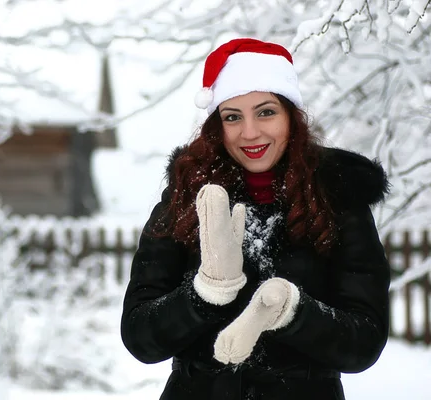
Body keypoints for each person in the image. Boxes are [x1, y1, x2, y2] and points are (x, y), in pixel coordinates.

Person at [120, 38, 391, 400]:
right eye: (233, 116)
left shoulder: (338, 200)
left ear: (291, 117)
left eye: (265, 112)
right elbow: (141, 338)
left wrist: (293, 311)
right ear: (217, 126)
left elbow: (364, 342)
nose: (250, 133)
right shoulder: (186, 198)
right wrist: (204, 293)